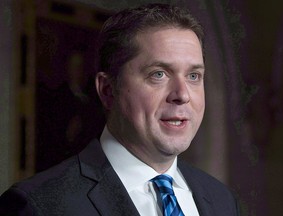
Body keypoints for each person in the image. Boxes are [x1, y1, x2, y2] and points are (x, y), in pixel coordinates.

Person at [0, 3, 240, 216]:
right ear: (107, 90)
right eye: (159, 74)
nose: (182, 95)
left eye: (194, 76)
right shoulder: (38, 205)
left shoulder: (221, 200)